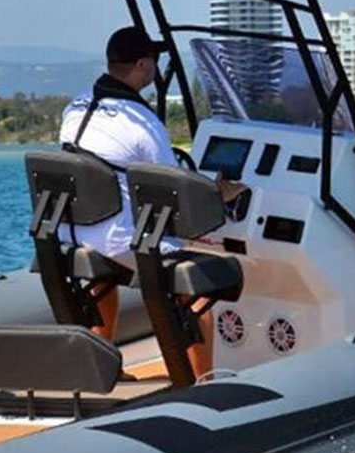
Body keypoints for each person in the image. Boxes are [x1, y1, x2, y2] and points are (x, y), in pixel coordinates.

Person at [59, 26, 244, 381]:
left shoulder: (76, 107)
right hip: (118, 240)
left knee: (104, 274)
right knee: (196, 286)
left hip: (74, 232)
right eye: (154, 61)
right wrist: (220, 193)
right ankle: (202, 383)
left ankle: (102, 367)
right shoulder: (144, 124)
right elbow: (173, 192)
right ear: (143, 65)